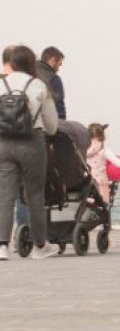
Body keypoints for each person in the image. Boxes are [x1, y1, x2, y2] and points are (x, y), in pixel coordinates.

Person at [0, 45, 59, 261]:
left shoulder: (1, 83)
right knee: (34, 194)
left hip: (3, 143)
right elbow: (52, 126)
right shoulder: (39, 85)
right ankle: (39, 246)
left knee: (5, 195)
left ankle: (2, 246)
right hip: (31, 142)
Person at [87, 123, 120, 204]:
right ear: (102, 136)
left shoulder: (83, 151)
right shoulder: (104, 151)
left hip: (87, 186)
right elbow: (119, 164)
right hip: (100, 186)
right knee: (103, 209)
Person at [36, 47, 66, 120]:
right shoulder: (54, 79)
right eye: (59, 64)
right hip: (46, 125)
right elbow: (59, 108)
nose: (58, 69)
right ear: (53, 60)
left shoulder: (28, 74)